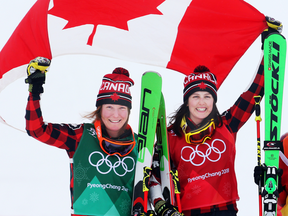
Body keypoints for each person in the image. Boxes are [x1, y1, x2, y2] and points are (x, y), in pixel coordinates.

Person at [149, 17, 283, 216]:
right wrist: (161, 206)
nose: (201, 102)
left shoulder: (227, 124)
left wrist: (270, 49)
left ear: (214, 101)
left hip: (226, 210)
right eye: (195, 96)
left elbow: (255, 92)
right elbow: (153, 175)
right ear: (187, 101)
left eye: (207, 96)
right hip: (187, 212)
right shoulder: (170, 136)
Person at [25, 57, 138, 216]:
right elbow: (36, 129)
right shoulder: (80, 135)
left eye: (122, 108)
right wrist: (35, 91)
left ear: (128, 111)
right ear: (100, 108)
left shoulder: (140, 144)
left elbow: (152, 185)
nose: (115, 114)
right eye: (109, 107)